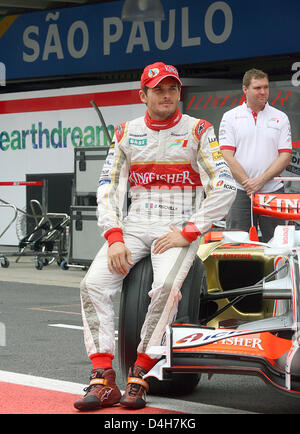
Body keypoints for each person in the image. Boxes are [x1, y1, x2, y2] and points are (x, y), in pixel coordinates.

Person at [74, 62, 236, 411]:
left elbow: (225, 185)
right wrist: (114, 235)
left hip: (177, 226)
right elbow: (109, 188)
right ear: (143, 95)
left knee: (165, 289)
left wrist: (191, 231)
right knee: (92, 285)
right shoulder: (125, 132)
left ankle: (140, 373)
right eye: (158, 89)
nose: (166, 95)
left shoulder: (199, 130)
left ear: (179, 92)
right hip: (134, 225)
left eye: (172, 89)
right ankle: (103, 377)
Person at [219, 68, 292, 242]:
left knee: (278, 246)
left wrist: (260, 181)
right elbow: (226, 155)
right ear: (245, 89)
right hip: (239, 191)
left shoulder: (280, 117)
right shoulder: (230, 117)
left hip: (272, 192)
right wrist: (248, 183)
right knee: (236, 245)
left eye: (266, 87)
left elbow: (285, 156)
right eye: (257, 88)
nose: (263, 92)